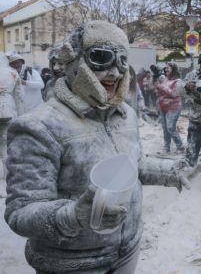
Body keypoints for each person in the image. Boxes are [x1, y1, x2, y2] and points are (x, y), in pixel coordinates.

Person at [4, 21, 185, 273]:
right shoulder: (38, 126)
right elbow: (20, 212)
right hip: (72, 263)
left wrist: (174, 172)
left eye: (122, 61)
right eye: (101, 58)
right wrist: (74, 215)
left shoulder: (125, 115)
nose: (114, 72)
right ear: (75, 62)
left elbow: (132, 166)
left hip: (126, 250)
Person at [0, 54, 24, 178]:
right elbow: (19, 96)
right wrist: (22, 116)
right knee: (6, 143)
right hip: (8, 109)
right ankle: (7, 174)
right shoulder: (13, 73)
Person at [157, 62, 184, 155]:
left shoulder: (179, 81)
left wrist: (161, 86)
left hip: (174, 107)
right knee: (165, 128)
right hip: (163, 107)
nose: (166, 70)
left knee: (170, 127)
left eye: (168, 68)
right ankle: (166, 147)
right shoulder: (165, 80)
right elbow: (160, 92)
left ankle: (180, 147)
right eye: (165, 68)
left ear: (174, 69)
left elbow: (174, 94)